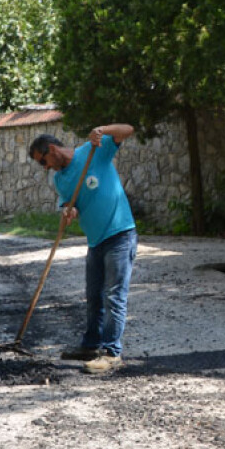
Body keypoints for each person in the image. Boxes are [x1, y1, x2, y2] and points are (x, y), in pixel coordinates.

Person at [28, 124, 137, 374]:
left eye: (43, 161)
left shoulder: (93, 150)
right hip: (95, 241)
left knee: (114, 296)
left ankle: (111, 353)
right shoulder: (60, 179)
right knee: (94, 298)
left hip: (120, 234)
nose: (45, 168)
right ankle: (91, 345)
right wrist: (69, 210)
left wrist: (103, 129)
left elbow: (128, 130)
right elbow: (69, 204)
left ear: (52, 149)